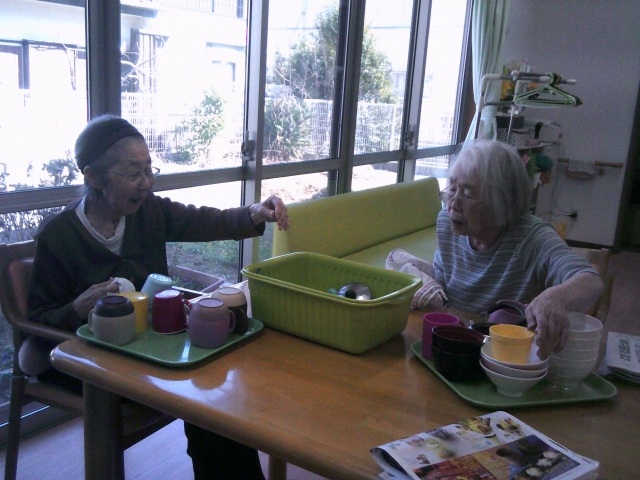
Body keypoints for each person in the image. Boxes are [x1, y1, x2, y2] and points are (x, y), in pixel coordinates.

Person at [27, 114, 289, 480]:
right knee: (206, 400)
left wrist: (253, 214)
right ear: (92, 176)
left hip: (150, 350)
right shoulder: (58, 235)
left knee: (217, 401)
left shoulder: (147, 211)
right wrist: (76, 308)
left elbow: (203, 220)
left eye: (149, 170)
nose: (146, 183)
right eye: (133, 173)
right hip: (90, 363)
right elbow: (37, 322)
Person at [387, 140, 603, 359]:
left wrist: (556, 298)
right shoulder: (447, 223)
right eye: (452, 189)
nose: (453, 204)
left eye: (468, 194)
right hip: (457, 346)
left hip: (508, 355)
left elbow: (591, 281)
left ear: (503, 201)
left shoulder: (531, 237)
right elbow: (444, 288)